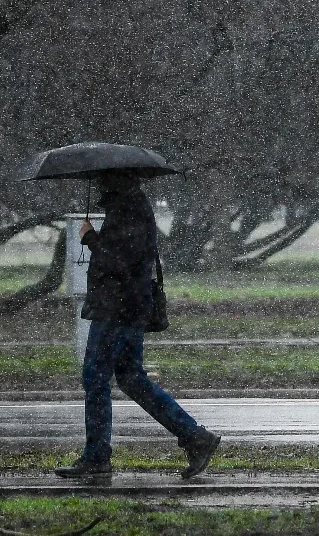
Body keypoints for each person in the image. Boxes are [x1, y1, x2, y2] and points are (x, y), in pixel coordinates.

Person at [56, 171, 220, 480]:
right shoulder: (129, 206)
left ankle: (97, 456)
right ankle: (195, 438)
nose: (98, 185)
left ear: (114, 180)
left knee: (95, 376)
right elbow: (124, 257)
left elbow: (118, 261)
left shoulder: (129, 209)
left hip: (118, 309)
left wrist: (90, 238)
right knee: (131, 378)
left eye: (101, 180)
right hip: (129, 307)